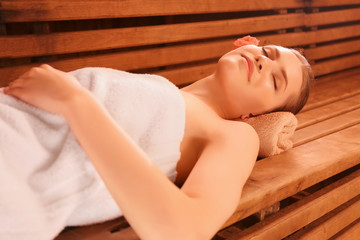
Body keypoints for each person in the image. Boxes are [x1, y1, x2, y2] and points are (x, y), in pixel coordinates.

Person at [2, 41, 313, 239]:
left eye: (275, 81)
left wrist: (75, 102)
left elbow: (186, 229)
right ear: (243, 44)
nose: (263, 62)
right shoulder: (159, 90)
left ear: (255, 116)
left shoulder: (234, 135)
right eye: (267, 52)